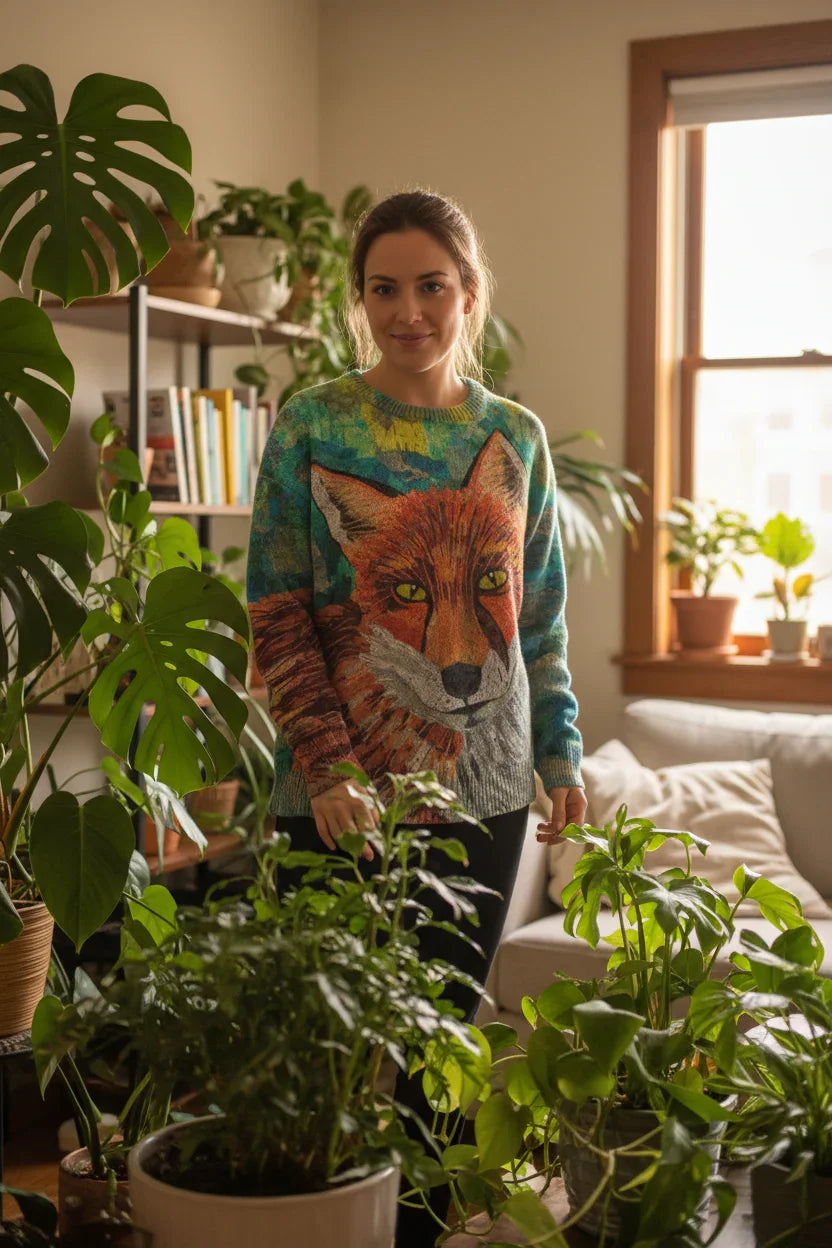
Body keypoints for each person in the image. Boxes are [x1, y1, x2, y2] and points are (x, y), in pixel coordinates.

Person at [246, 188, 586, 1246]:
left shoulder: (511, 436)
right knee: (331, 1054)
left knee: (438, 1050)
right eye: (384, 288)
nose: (409, 311)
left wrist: (560, 748)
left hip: (482, 792)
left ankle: (420, 1229)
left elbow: (536, 615)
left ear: (468, 295)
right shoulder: (313, 423)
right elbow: (281, 611)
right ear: (358, 301)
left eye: (431, 286)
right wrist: (332, 768)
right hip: (332, 794)